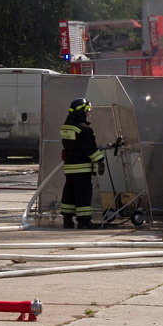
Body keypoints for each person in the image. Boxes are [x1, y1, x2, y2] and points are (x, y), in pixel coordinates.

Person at [60, 98, 105, 229]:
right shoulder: (84, 129)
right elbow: (90, 150)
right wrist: (100, 161)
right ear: (82, 112)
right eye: (87, 111)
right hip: (82, 168)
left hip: (69, 167)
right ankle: (84, 221)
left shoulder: (66, 127)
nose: (88, 113)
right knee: (83, 194)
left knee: (69, 192)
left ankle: (67, 220)